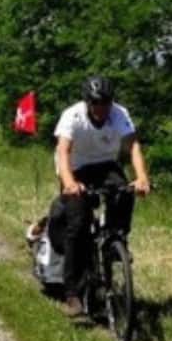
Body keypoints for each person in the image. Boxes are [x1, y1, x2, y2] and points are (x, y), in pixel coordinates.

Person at [53, 76, 151, 318]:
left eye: (106, 102)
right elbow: (62, 151)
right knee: (78, 225)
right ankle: (73, 293)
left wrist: (141, 177)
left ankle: (116, 240)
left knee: (125, 192)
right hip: (75, 168)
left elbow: (133, 146)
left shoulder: (119, 114)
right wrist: (69, 183)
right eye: (96, 103)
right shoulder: (72, 115)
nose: (101, 108)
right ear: (88, 102)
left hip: (105, 165)